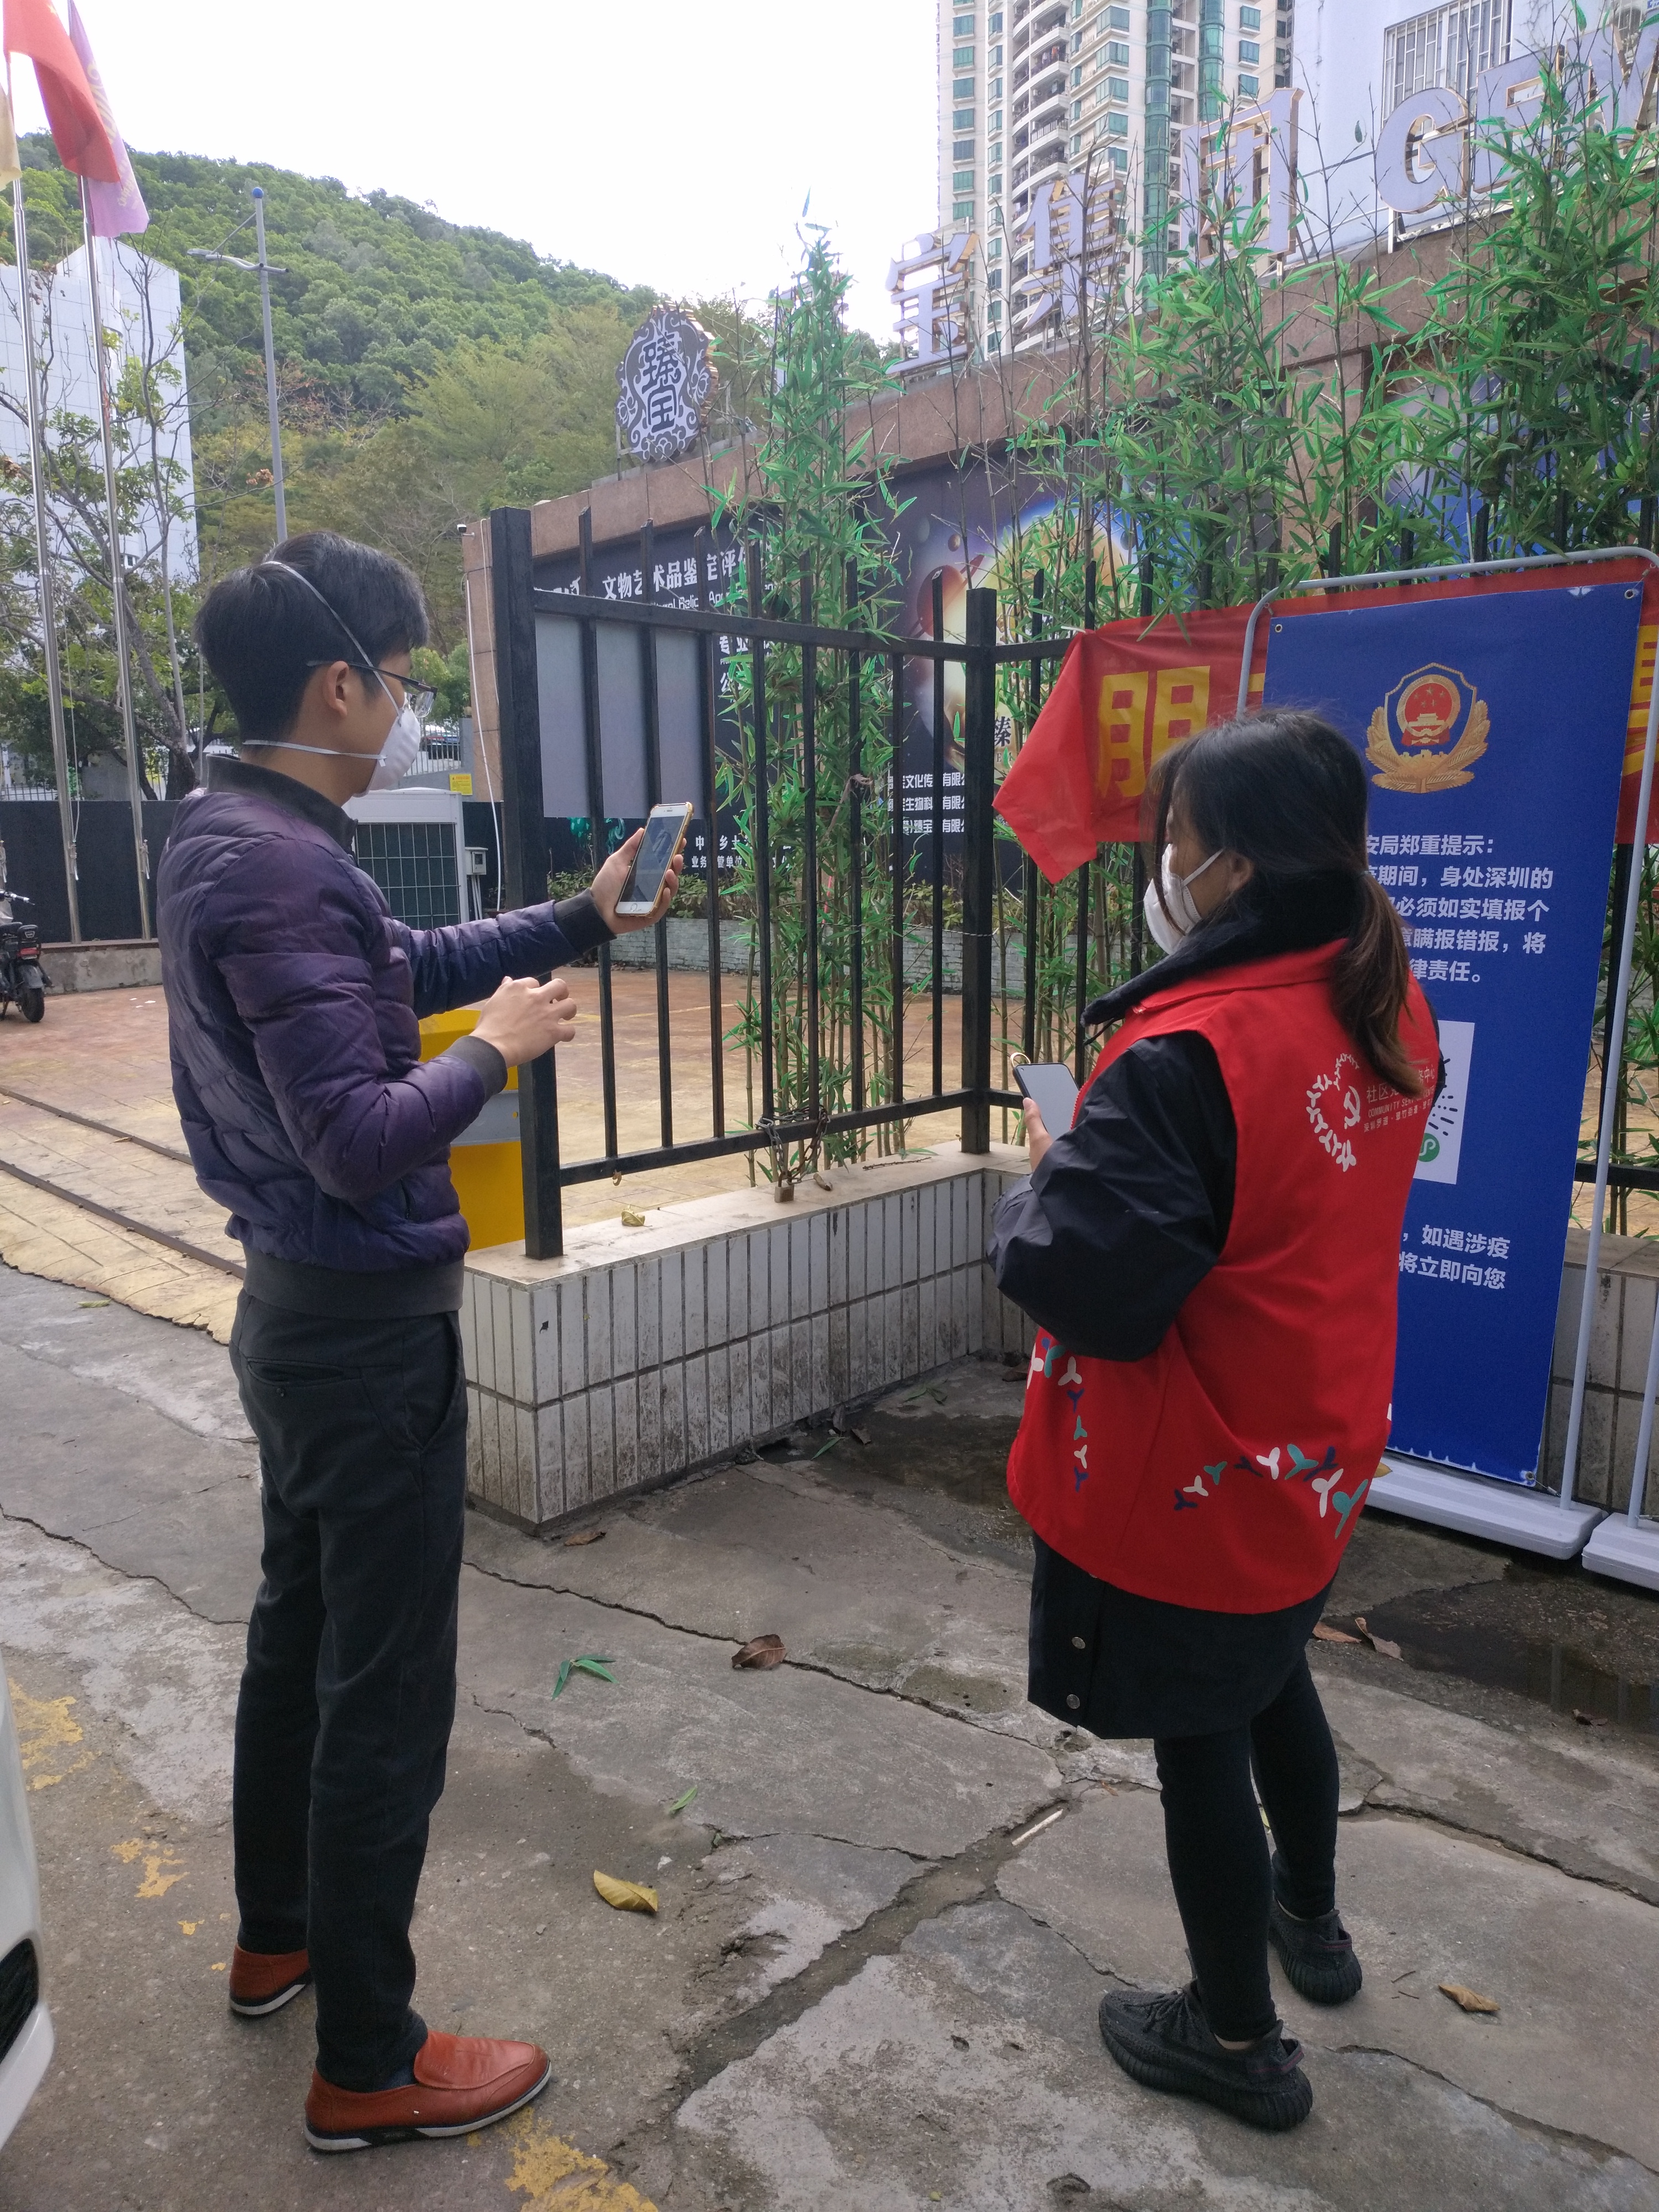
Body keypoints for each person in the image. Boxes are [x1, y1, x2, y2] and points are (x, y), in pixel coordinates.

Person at [157, 531, 680, 2154]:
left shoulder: (232, 832)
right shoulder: (286, 865)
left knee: (298, 1639)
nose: (408, 707)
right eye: (399, 678)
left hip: (295, 1318)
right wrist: (500, 1054)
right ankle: (369, 2064)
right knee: (382, 1695)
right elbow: (358, 1134)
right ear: (339, 685)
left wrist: (576, 920)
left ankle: (279, 1941)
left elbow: (397, 972)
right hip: (363, 1342)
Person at [990, 710, 1438, 2133]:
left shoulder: (1191, 1051)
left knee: (1201, 1741)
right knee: (1272, 1672)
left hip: (1197, 1459)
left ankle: (1236, 2035)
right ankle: (1312, 1919)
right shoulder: (1382, 989)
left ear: (1233, 866)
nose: (1160, 863)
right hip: (1314, 1437)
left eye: (1173, 838)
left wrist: (1053, 1168)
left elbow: (1085, 1284)